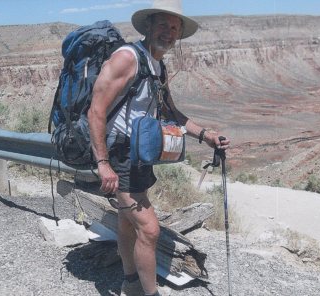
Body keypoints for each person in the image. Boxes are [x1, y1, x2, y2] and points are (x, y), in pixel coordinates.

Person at [87, 0, 230, 295]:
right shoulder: (128, 58)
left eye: (175, 27)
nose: (169, 32)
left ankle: (130, 283)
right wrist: (103, 163)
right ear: (149, 26)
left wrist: (206, 135)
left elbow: (171, 113)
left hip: (139, 156)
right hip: (119, 156)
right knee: (150, 230)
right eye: (163, 24)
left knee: (129, 224)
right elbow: (96, 111)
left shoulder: (157, 66)